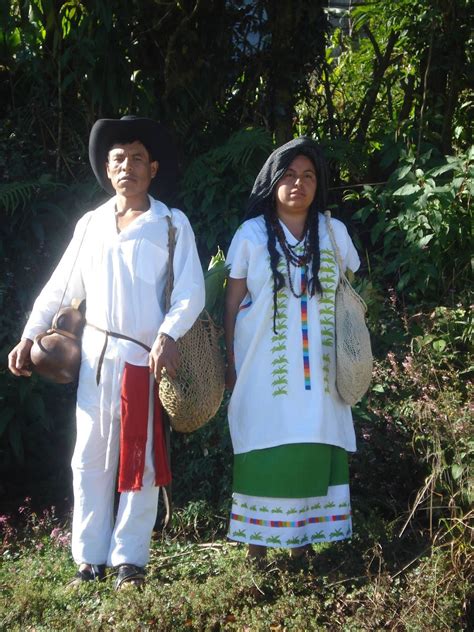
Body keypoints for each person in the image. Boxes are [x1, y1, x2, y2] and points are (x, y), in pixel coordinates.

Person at [8, 116, 205, 588]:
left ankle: (130, 562)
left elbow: (191, 291)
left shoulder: (171, 223)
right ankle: (89, 559)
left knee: (143, 462)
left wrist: (169, 333)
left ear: (153, 168)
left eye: (138, 158)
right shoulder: (91, 224)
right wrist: (30, 334)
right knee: (89, 457)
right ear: (107, 168)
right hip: (95, 361)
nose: (128, 167)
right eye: (118, 159)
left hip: (145, 359)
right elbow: (61, 286)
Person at [224, 137, 360, 562]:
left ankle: (301, 544)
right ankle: (257, 548)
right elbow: (231, 304)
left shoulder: (333, 232)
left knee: (314, 438)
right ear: (272, 182)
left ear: (318, 184)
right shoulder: (250, 234)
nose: (298, 184)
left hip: (322, 371)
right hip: (261, 369)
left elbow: (354, 286)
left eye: (308, 176)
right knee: (262, 439)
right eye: (288, 175)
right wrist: (229, 360)